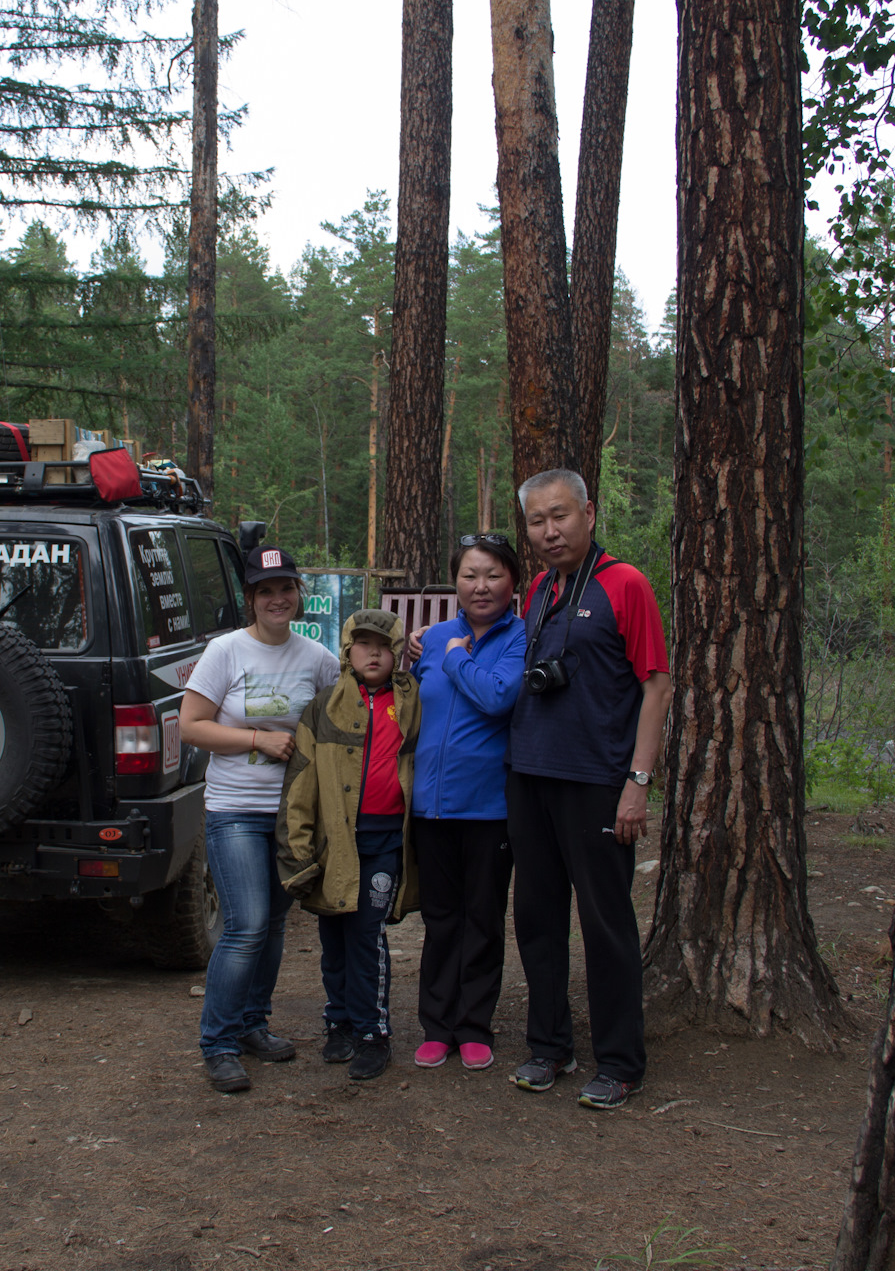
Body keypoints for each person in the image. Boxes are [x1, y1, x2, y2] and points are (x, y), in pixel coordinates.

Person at [507, 469, 670, 1111]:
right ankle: (550, 1047)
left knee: (605, 924)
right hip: (531, 777)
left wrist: (638, 782)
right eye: (538, 522)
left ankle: (621, 1061)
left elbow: (656, 685)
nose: (550, 531)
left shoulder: (624, 583)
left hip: (598, 781)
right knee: (537, 920)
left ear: (589, 514)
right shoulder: (541, 589)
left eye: (560, 516)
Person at [180, 544, 340, 1094]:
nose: (278, 599)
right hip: (235, 811)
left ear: (299, 594)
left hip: (291, 819)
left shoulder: (317, 659)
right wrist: (256, 739)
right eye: (265, 591)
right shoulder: (226, 652)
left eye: (286, 588)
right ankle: (218, 1042)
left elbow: (338, 725)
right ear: (251, 599)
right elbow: (192, 725)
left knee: (272, 927)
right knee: (245, 927)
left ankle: (253, 1023)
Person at [277, 609, 421, 1082]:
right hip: (334, 844)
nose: (373, 652)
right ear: (347, 652)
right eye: (363, 644)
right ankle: (337, 1022)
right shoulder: (323, 706)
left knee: (366, 936)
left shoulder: (414, 700)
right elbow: (300, 783)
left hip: (384, 842)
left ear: (396, 650)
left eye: (382, 644)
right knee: (334, 937)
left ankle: (372, 1032)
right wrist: (297, 850)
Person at [408, 535, 526, 1072]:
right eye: (471, 575)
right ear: (454, 582)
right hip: (431, 807)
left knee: (482, 918)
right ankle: (437, 1024)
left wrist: (456, 659)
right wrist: (428, 649)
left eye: (493, 575)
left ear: (513, 583)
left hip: (489, 808)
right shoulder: (433, 639)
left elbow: (500, 697)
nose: (481, 586)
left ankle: (475, 1025)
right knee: (440, 919)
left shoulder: (523, 636)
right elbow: (412, 698)